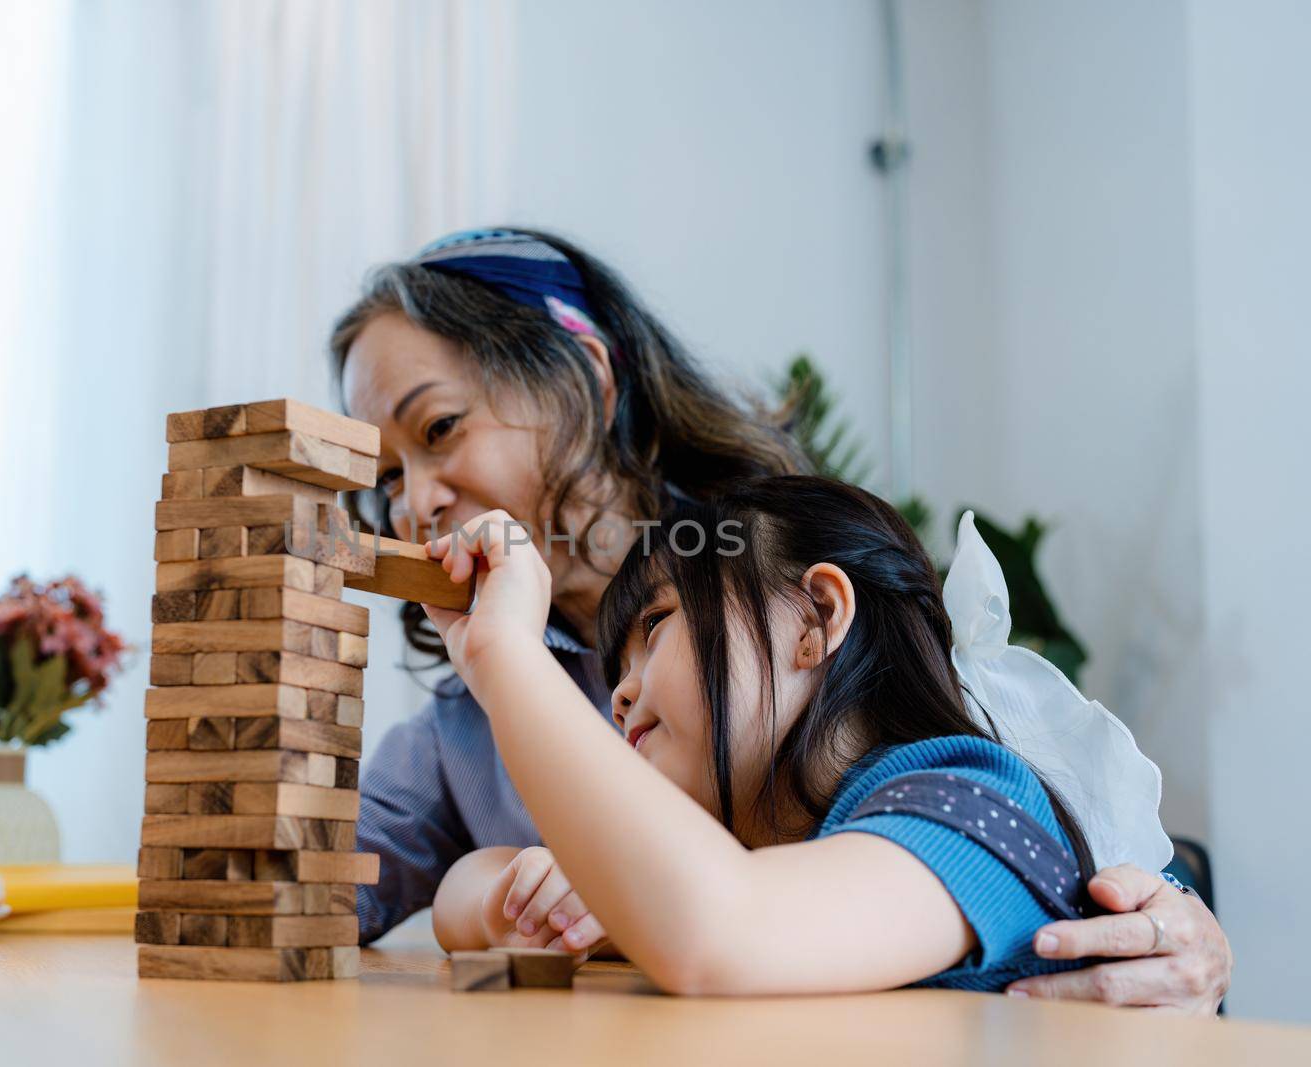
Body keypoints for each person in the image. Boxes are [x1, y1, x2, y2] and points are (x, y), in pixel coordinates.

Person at [333, 228, 1232, 1007]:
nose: (414, 504)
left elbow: (1065, 827)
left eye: (441, 427)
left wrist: (1182, 921)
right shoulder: (474, 720)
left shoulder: (787, 595)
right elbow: (325, 882)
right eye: (384, 480)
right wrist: (517, 892)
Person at [429, 482, 1102, 993]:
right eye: (618, 669)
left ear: (815, 616)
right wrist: (519, 901)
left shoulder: (975, 801)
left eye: (657, 623)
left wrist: (506, 654)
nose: (620, 693)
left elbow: (720, 931)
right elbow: (461, 891)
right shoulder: (751, 851)